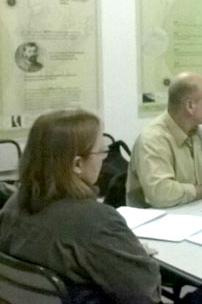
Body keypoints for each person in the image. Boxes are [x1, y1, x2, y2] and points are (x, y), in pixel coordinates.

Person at [0, 110, 161, 303]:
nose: (104, 158)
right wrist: (138, 255)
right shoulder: (98, 221)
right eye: (102, 151)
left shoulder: (12, 205)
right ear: (77, 164)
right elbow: (147, 294)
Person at [127, 71, 202, 208]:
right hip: (158, 222)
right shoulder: (153, 139)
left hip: (191, 213)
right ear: (190, 106)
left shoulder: (195, 131)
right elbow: (161, 193)